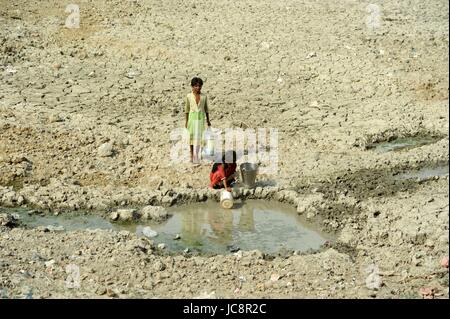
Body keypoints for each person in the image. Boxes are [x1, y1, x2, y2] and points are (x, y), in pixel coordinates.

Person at [184, 77, 211, 164]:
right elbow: (187, 109)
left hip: (200, 118)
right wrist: (186, 121)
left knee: (199, 137)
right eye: (196, 86)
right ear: (192, 87)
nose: (198, 88)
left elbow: (206, 109)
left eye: (199, 86)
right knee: (191, 137)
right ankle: (192, 155)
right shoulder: (189, 96)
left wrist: (208, 120)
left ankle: (197, 154)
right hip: (192, 118)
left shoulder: (204, 97)